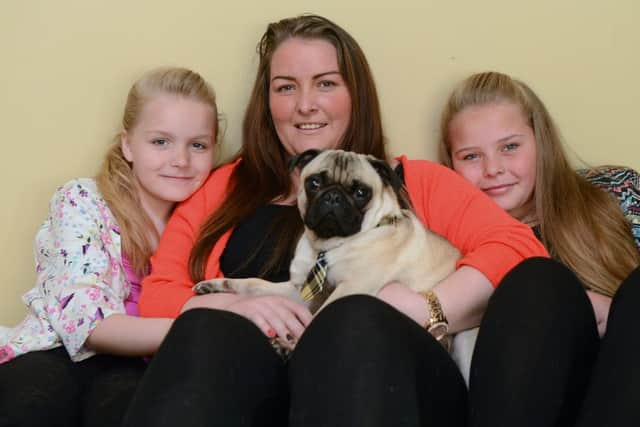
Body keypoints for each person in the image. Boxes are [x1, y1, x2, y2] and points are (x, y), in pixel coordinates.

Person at [122, 15, 547, 427]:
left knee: (353, 319)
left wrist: (424, 307)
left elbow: (519, 249)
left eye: (326, 83)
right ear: (267, 102)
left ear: (355, 95)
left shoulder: (410, 181)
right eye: (286, 87)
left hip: (377, 383)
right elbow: (159, 297)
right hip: (252, 386)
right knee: (206, 327)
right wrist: (244, 306)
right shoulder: (225, 187)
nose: (306, 105)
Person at [0, 67, 220, 427]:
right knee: (34, 403)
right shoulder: (82, 200)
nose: (181, 160)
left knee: (133, 405)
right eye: (160, 142)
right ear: (128, 144)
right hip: (60, 356)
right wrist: (200, 327)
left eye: (198, 145)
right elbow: (87, 325)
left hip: (140, 371)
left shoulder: (206, 226)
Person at [440, 70, 640, 426]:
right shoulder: (439, 242)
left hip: (616, 394)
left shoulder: (615, 196)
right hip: (511, 402)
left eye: (510, 147)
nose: (493, 169)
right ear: (449, 165)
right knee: (536, 281)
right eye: (471, 156)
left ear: (540, 141)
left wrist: (618, 312)